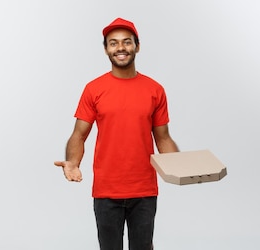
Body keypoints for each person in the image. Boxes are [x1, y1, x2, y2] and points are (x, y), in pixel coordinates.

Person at [53, 17, 179, 250]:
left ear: (137, 46)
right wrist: (72, 161)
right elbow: (79, 134)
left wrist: (181, 167)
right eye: (113, 43)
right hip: (106, 190)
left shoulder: (155, 90)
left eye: (127, 42)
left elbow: (163, 137)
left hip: (143, 189)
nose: (120, 48)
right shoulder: (94, 89)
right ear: (106, 49)